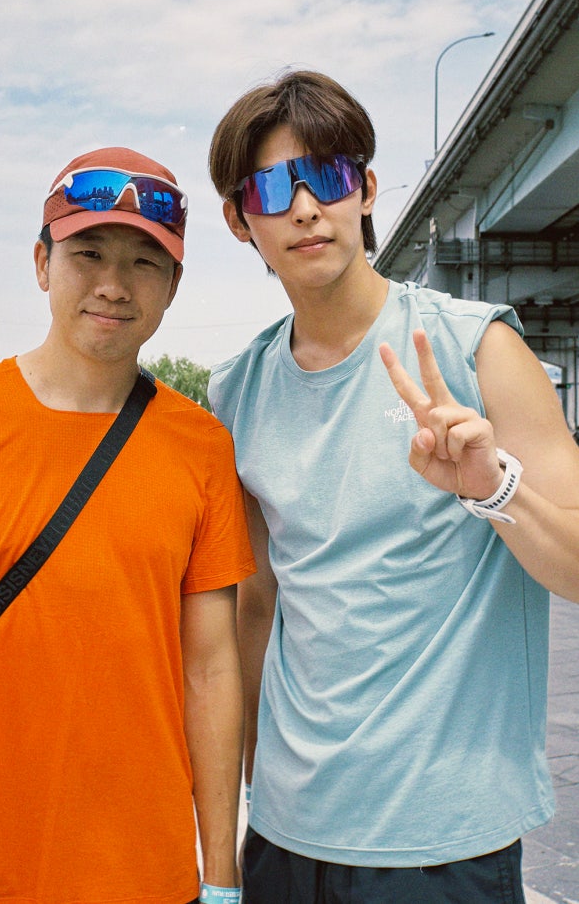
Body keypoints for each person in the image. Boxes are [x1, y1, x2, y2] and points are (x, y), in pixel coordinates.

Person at [0, 146, 255, 904]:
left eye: (144, 262)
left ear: (172, 286)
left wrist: (221, 875)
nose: (113, 284)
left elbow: (211, 672)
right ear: (42, 263)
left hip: (142, 869)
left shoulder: (201, 447)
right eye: (87, 253)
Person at [206, 69, 579, 904]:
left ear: (366, 189)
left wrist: (493, 489)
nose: (306, 207)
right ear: (240, 220)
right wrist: (244, 803)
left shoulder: (478, 350)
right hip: (286, 831)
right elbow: (252, 607)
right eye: (271, 188)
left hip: (441, 841)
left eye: (326, 175)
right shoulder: (236, 392)